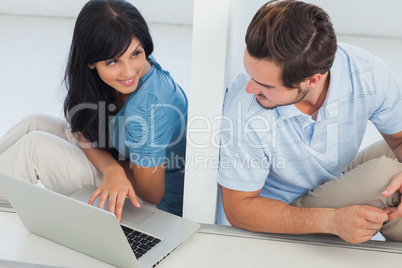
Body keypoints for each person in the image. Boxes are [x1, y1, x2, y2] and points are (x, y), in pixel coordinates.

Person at [217, 0, 402, 244]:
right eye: (250, 74)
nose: (250, 88)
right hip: (285, 208)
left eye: (266, 85)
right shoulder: (244, 111)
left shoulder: (366, 73)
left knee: (394, 162)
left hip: (330, 179)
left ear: (312, 80)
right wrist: (332, 221)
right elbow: (239, 209)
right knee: (386, 175)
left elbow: (398, 139)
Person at [0, 0, 187, 221]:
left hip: (151, 208)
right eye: (112, 62)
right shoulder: (129, 63)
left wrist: (112, 168)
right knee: (35, 122)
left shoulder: (146, 109)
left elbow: (152, 194)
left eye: (136, 54)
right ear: (90, 62)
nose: (128, 71)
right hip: (121, 163)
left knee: (34, 149)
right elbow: (84, 128)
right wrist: (111, 167)